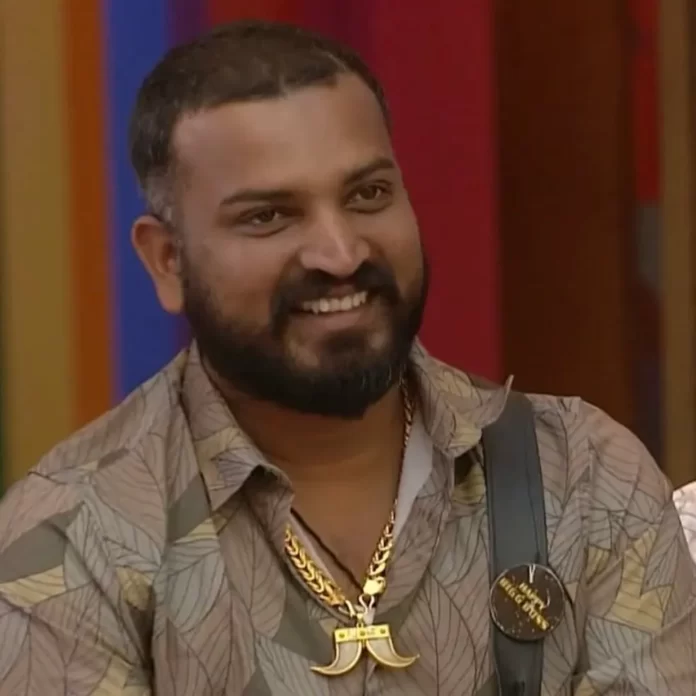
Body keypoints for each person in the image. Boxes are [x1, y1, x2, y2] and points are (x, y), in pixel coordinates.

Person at [0, 19, 694, 696]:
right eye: (268, 215)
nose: (340, 254)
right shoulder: (72, 536)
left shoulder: (584, 476)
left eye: (367, 195)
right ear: (168, 260)